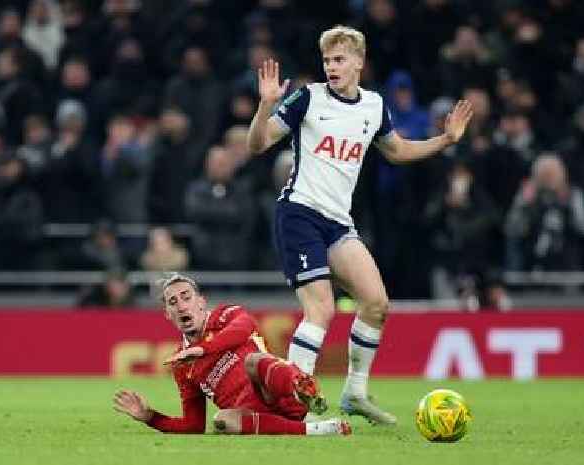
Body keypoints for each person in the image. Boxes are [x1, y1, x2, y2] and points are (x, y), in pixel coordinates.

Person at [246, 25, 472, 425]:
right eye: (327, 60)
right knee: (322, 308)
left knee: (376, 303)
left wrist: (446, 140)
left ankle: (354, 392)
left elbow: (398, 150)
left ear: (359, 63)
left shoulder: (373, 106)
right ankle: (291, 403)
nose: (332, 67)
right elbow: (258, 144)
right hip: (300, 213)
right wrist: (265, 106)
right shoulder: (307, 98)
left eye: (339, 59)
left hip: (337, 222)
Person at [113, 273, 351, 436]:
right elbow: (194, 425)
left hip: (276, 392)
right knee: (221, 421)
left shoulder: (226, 315)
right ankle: (317, 430)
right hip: (253, 416)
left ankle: (304, 390)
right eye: (173, 302)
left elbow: (243, 329)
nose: (182, 306)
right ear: (168, 314)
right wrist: (150, 417)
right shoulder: (182, 364)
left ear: (201, 302)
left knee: (253, 360)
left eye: (186, 297)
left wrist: (204, 349)